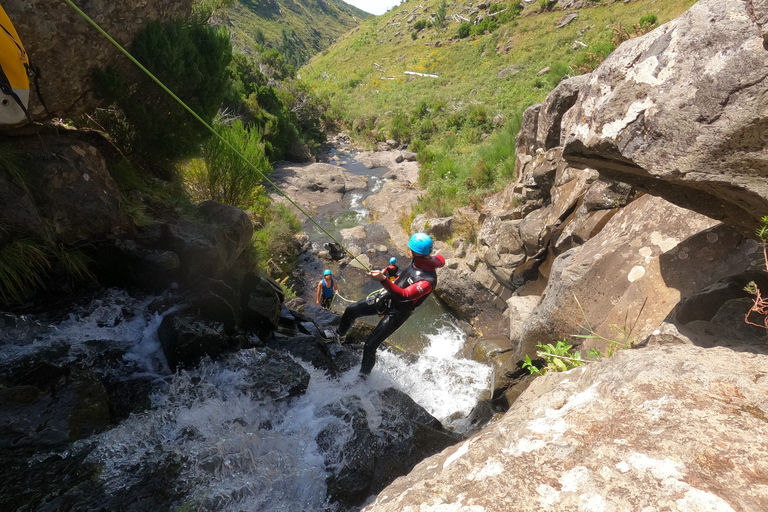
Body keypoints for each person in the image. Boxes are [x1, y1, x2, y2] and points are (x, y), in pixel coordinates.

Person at [325, 233, 445, 375]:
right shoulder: (418, 261)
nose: (408, 251)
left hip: (399, 311)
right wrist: (392, 274)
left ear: (415, 252)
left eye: (410, 249)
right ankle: (340, 334)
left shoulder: (427, 281)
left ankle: (363, 376)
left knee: (370, 345)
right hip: (387, 297)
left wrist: (383, 279)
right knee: (351, 310)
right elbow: (404, 278)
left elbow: (405, 295)